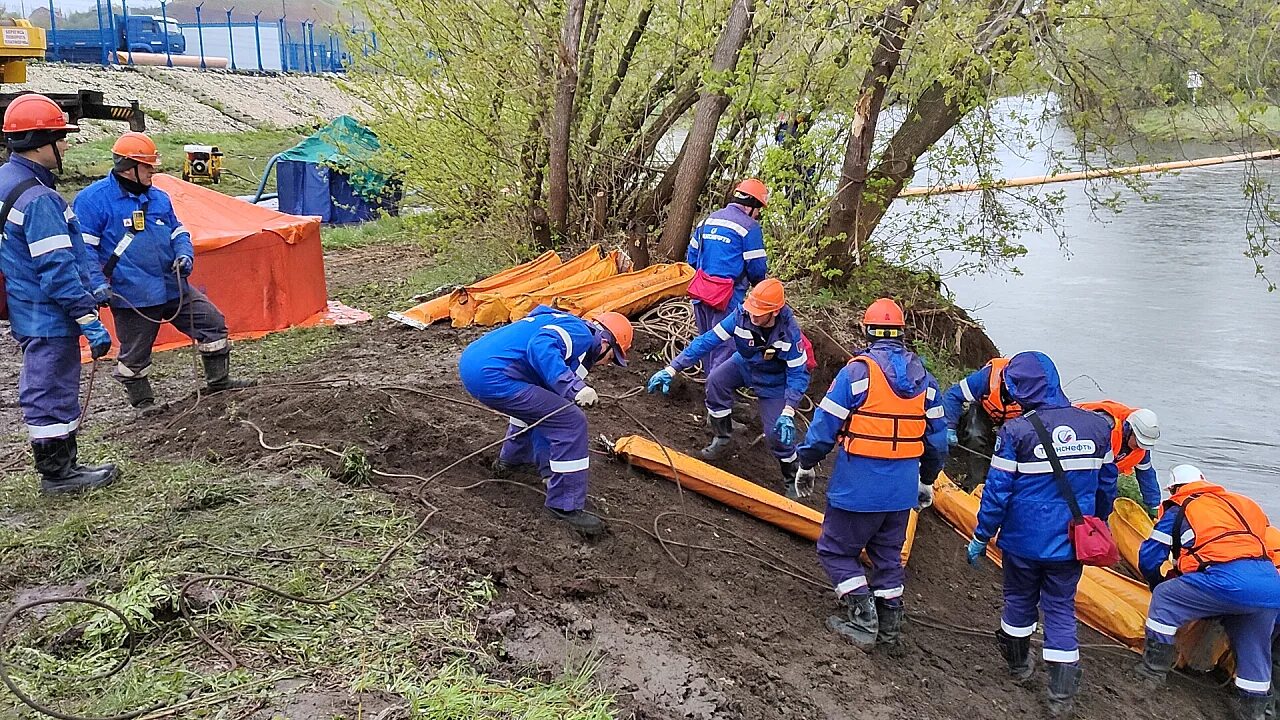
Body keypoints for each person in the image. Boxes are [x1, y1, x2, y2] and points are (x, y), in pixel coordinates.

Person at [966, 351, 1117, 717]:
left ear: (1019, 388)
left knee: (1018, 600)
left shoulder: (1015, 432)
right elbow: (1107, 488)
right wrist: (1097, 521)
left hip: (1022, 542)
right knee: (1061, 608)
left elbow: (997, 493)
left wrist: (981, 536)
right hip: (1069, 543)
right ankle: (1060, 695)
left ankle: (1019, 666)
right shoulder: (1098, 429)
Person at [792, 298, 946, 650]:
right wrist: (926, 479)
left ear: (866, 331)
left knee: (834, 550)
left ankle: (863, 619)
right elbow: (937, 441)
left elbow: (823, 427)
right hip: (902, 489)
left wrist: (806, 463)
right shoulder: (926, 381)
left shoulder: (857, 373)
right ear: (903, 334)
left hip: (858, 486)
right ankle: (890, 625)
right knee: (888, 556)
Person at [74, 131, 254, 414]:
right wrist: (97, 285)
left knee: (212, 322)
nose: (153, 172)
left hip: (172, 285)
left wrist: (184, 254)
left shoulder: (159, 197)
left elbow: (177, 231)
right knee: (135, 354)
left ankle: (219, 382)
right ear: (127, 167)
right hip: (132, 292)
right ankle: (144, 405)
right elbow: (84, 251)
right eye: (147, 167)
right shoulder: (92, 201)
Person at [0, 93, 118, 493]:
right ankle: (58, 473)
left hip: (26, 306)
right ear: (39, 141)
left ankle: (64, 464)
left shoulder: (8, 181)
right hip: (47, 313)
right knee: (50, 385)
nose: (66, 145)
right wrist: (88, 318)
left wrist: (94, 283)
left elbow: (63, 252)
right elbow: (56, 268)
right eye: (60, 137)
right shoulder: (39, 199)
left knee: (49, 382)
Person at [458, 307, 633, 537]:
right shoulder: (581, 334)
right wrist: (574, 387)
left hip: (474, 363)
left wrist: (547, 469)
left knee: (545, 406)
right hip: (492, 375)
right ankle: (564, 505)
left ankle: (513, 461)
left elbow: (545, 414)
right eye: (612, 357)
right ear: (605, 342)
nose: (607, 364)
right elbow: (541, 345)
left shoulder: (565, 323)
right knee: (571, 420)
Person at [1135, 464, 1280, 720]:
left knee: (1166, 597)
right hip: (1270, 586)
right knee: (1254, 650)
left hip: (1228, 581)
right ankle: (1255, 713)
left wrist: (1158, 582)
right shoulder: (1241, 504)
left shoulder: (1181, 508)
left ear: (1175, 489)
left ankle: (1151, 672)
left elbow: (1149, 557)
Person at [646, 279, 810, 497]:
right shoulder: (741, 316)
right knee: (716, 381)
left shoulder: (790, 334)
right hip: (745, 364)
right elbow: (707, 341)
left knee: (776, 434)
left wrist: (789, 410)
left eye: (759, 313)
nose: (753, 316)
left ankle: (792, 478)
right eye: (752, 310)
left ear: (775, 312)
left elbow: (798, 374)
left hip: (774, 382)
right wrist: (672, 368)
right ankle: (722, 438)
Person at [684, 178, 769, 375]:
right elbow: (757, 268)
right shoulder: (749, 227)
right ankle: (717, 393)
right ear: (751, 205)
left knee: (706, 341)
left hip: (701, 294)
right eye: (759, 210)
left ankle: (709, 384)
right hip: (728, 298)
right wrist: (762, 293)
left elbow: (692, 258)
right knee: (724, 345)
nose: (758, 215)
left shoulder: (707, 221)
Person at [941, 356, 1022, 487]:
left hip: (1016, 418)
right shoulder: (988, 376)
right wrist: (950, 428)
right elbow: (953, 395)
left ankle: (1009, 484)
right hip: (984, 410)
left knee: (1016, 447)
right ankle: (975, 483)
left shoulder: (1034, 390)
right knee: (975, 435)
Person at [1077, 400, 1161, 515]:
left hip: (1103, 474)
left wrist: (1154, 505)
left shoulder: (1141, 447)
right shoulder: (1104, 425)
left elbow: (1147, 475)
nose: (1139, 448)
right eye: (1138, 443)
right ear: (1130, 429)